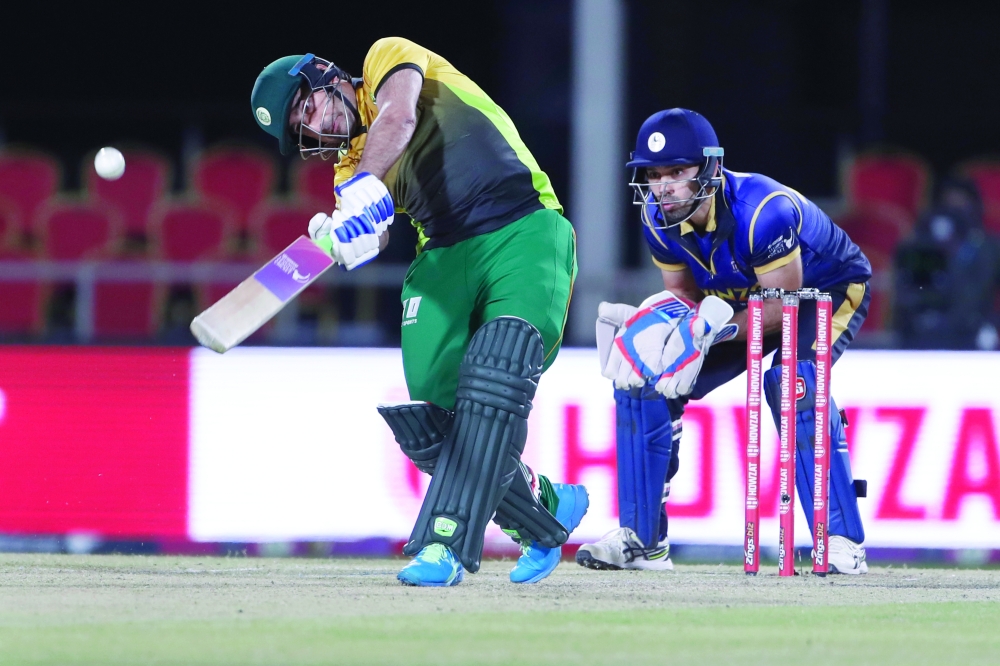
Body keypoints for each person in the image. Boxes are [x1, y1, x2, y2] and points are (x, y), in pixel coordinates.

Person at [249, 38, 588, 586]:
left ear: (326, 75)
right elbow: (376, 231)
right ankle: (542, 508)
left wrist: (363, 189)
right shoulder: (347, 172)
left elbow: (399, 116)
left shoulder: (386, 58)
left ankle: (442, 546)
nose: (313, 126)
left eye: (306, 106)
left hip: (524, 225)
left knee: (498, 367)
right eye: (300, 128)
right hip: (444, 256)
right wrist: (348, 238)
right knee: (431, 423)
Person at [578, 108, 871, 574]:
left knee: (793, 382)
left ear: (710, 168)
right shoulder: (657, 217)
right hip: (735, 300)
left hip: (820, 291)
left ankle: (840, 540)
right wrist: (663, 330)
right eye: (654, 175)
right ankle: (642, 541)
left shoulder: (763, 212)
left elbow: (784, 304)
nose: (663, 187)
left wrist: (714, 329)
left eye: (677, 172)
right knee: (644, 376)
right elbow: (684, 295)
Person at [894, 177, 999, 350]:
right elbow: (914, 294)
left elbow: (980, 294)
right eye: (949, 203)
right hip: (927, 333)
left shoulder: (989, 248)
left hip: (973, 332)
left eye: (961, 203)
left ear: (974, 206)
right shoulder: (922, 247)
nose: (955, 210)